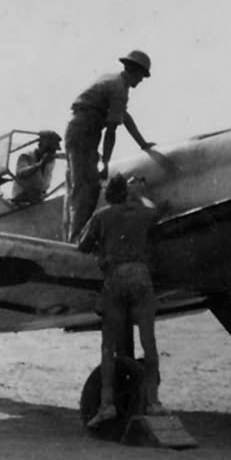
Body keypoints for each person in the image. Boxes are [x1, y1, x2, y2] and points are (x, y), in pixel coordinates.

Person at [77, 174, 168, 427]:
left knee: (109, 345)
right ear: (126, 193)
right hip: (140, 277)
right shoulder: (142, 212)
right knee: (149, 343)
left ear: (108, 194)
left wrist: (102, 249)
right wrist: (139, 194)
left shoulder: (102, 216)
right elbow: (160, 210)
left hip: (114, 279)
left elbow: (82, 245)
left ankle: (106, 405)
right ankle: (153, 402)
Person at [64, 50, 156, 242]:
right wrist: (105, 163)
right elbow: (111, 132)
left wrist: (142, 143)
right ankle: (77, 239)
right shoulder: (118, 89)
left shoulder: (113, 80)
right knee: (88, 187)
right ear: (134, 71)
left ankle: (74, 235)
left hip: (80, 131)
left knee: (78, 185)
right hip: (85, 133)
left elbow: (124, 117)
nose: (141, 81)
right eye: (141, 76)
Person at [11, 130, 64, 205]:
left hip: (38, 201)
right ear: (41, 146)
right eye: (50, 150)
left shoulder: (51, 161)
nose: (52, 153)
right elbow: (21, 173)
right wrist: (40, 164)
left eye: (54, 151)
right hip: (21, 202)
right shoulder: (26, 156)